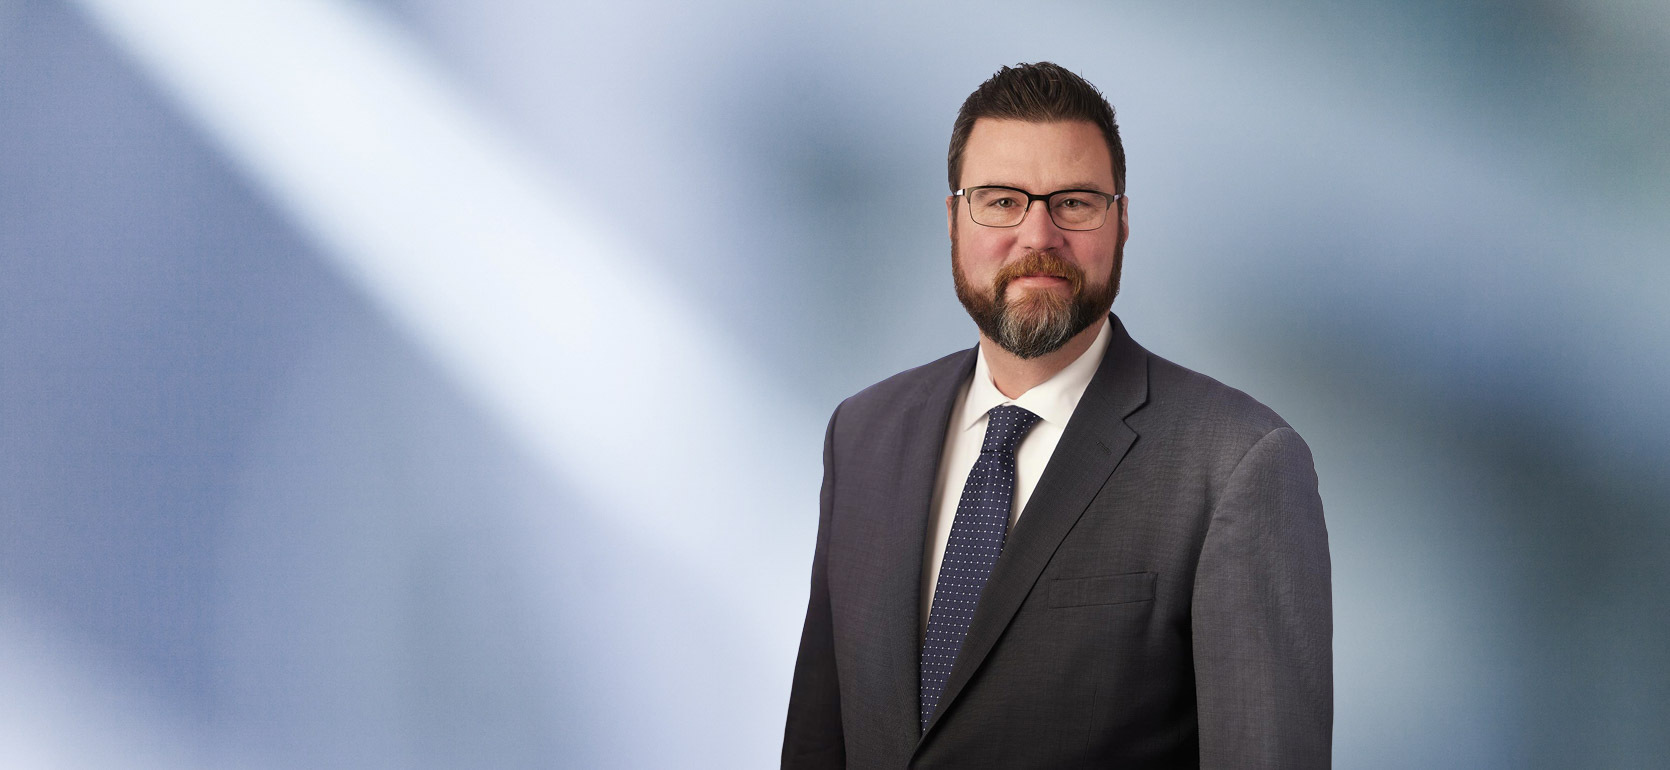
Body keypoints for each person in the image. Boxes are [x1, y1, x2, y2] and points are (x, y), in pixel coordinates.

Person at [781, 62, 1332, 768]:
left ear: (1123, 221)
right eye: (1002, 201)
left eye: (1073, 202)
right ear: (953, 220)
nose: (1038, 234)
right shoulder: (862, 435)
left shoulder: (1237, 463)